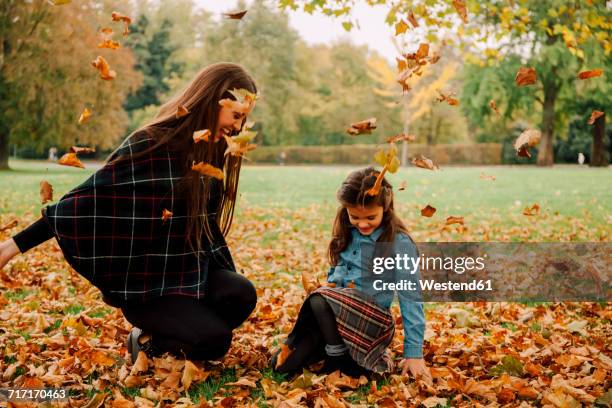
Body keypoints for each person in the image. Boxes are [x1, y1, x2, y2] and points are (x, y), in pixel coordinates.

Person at [0, 62, 258, 364]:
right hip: (144, 287)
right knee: (214, 342)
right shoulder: (150, 143)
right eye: (236, 115)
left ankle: (173, 333)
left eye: (244, 119)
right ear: (212, 100)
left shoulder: (210, 156)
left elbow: (204, 229)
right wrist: (10, 248)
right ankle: (146, 339)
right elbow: (81, 204)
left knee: (241, 293)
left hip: (186, 275)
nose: (239, 127)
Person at [272, 167, 431, 381]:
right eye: (355, 216)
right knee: (281, 366)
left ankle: (337, 360)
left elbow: (411, 298)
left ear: (386, 207)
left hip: (372, 320)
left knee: (319, 299)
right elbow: (335, 274)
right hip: (338, 316)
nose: (362, 224)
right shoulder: (347, 233)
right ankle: (336, 352)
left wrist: (414, 353)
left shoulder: (398, 243)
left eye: (370, 217)